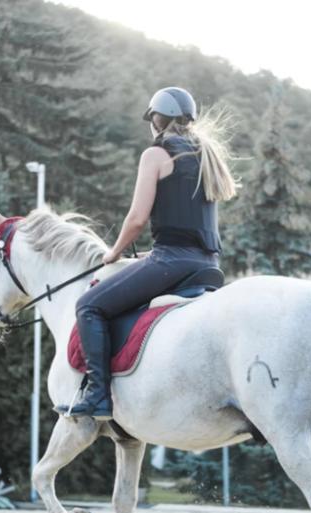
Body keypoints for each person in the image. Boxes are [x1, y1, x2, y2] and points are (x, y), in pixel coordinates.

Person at [62, 86, 238, 420]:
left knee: (88, 305)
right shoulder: (206, 155)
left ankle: (98, 396)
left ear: (156, 119)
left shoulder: (156, 154)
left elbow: (137, 219)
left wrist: (114, 253)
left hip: (172, 261)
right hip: (207, 264)